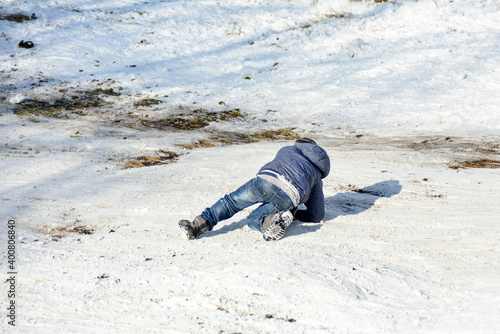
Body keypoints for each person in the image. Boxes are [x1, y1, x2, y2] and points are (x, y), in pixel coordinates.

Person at [179, 138, 330, 241]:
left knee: (231, 202)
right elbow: (316, 215)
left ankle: (196, 226)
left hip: (267, 181)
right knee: (252, 219)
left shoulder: (288, 149)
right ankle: (267, 222)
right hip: (290, 196)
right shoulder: (317, 176)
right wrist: (297, 213)